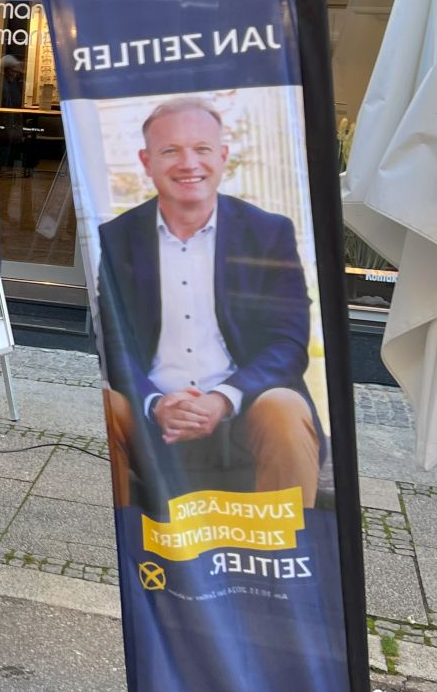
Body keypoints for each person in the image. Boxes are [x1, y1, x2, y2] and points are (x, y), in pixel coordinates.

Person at [95, 95, 320, 515]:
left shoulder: (268, 233)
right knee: (110, 405)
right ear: (146, 161)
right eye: (170, 150)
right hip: (152, 411)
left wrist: (221, 398)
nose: (188, 163)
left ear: (223, 156)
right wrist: (155, 403)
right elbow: (114, 340)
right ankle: (131, 546)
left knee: (286, 408)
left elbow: (288, 343)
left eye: (201, 149)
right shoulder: (118, 237)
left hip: (244, 405)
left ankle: (285, 551)